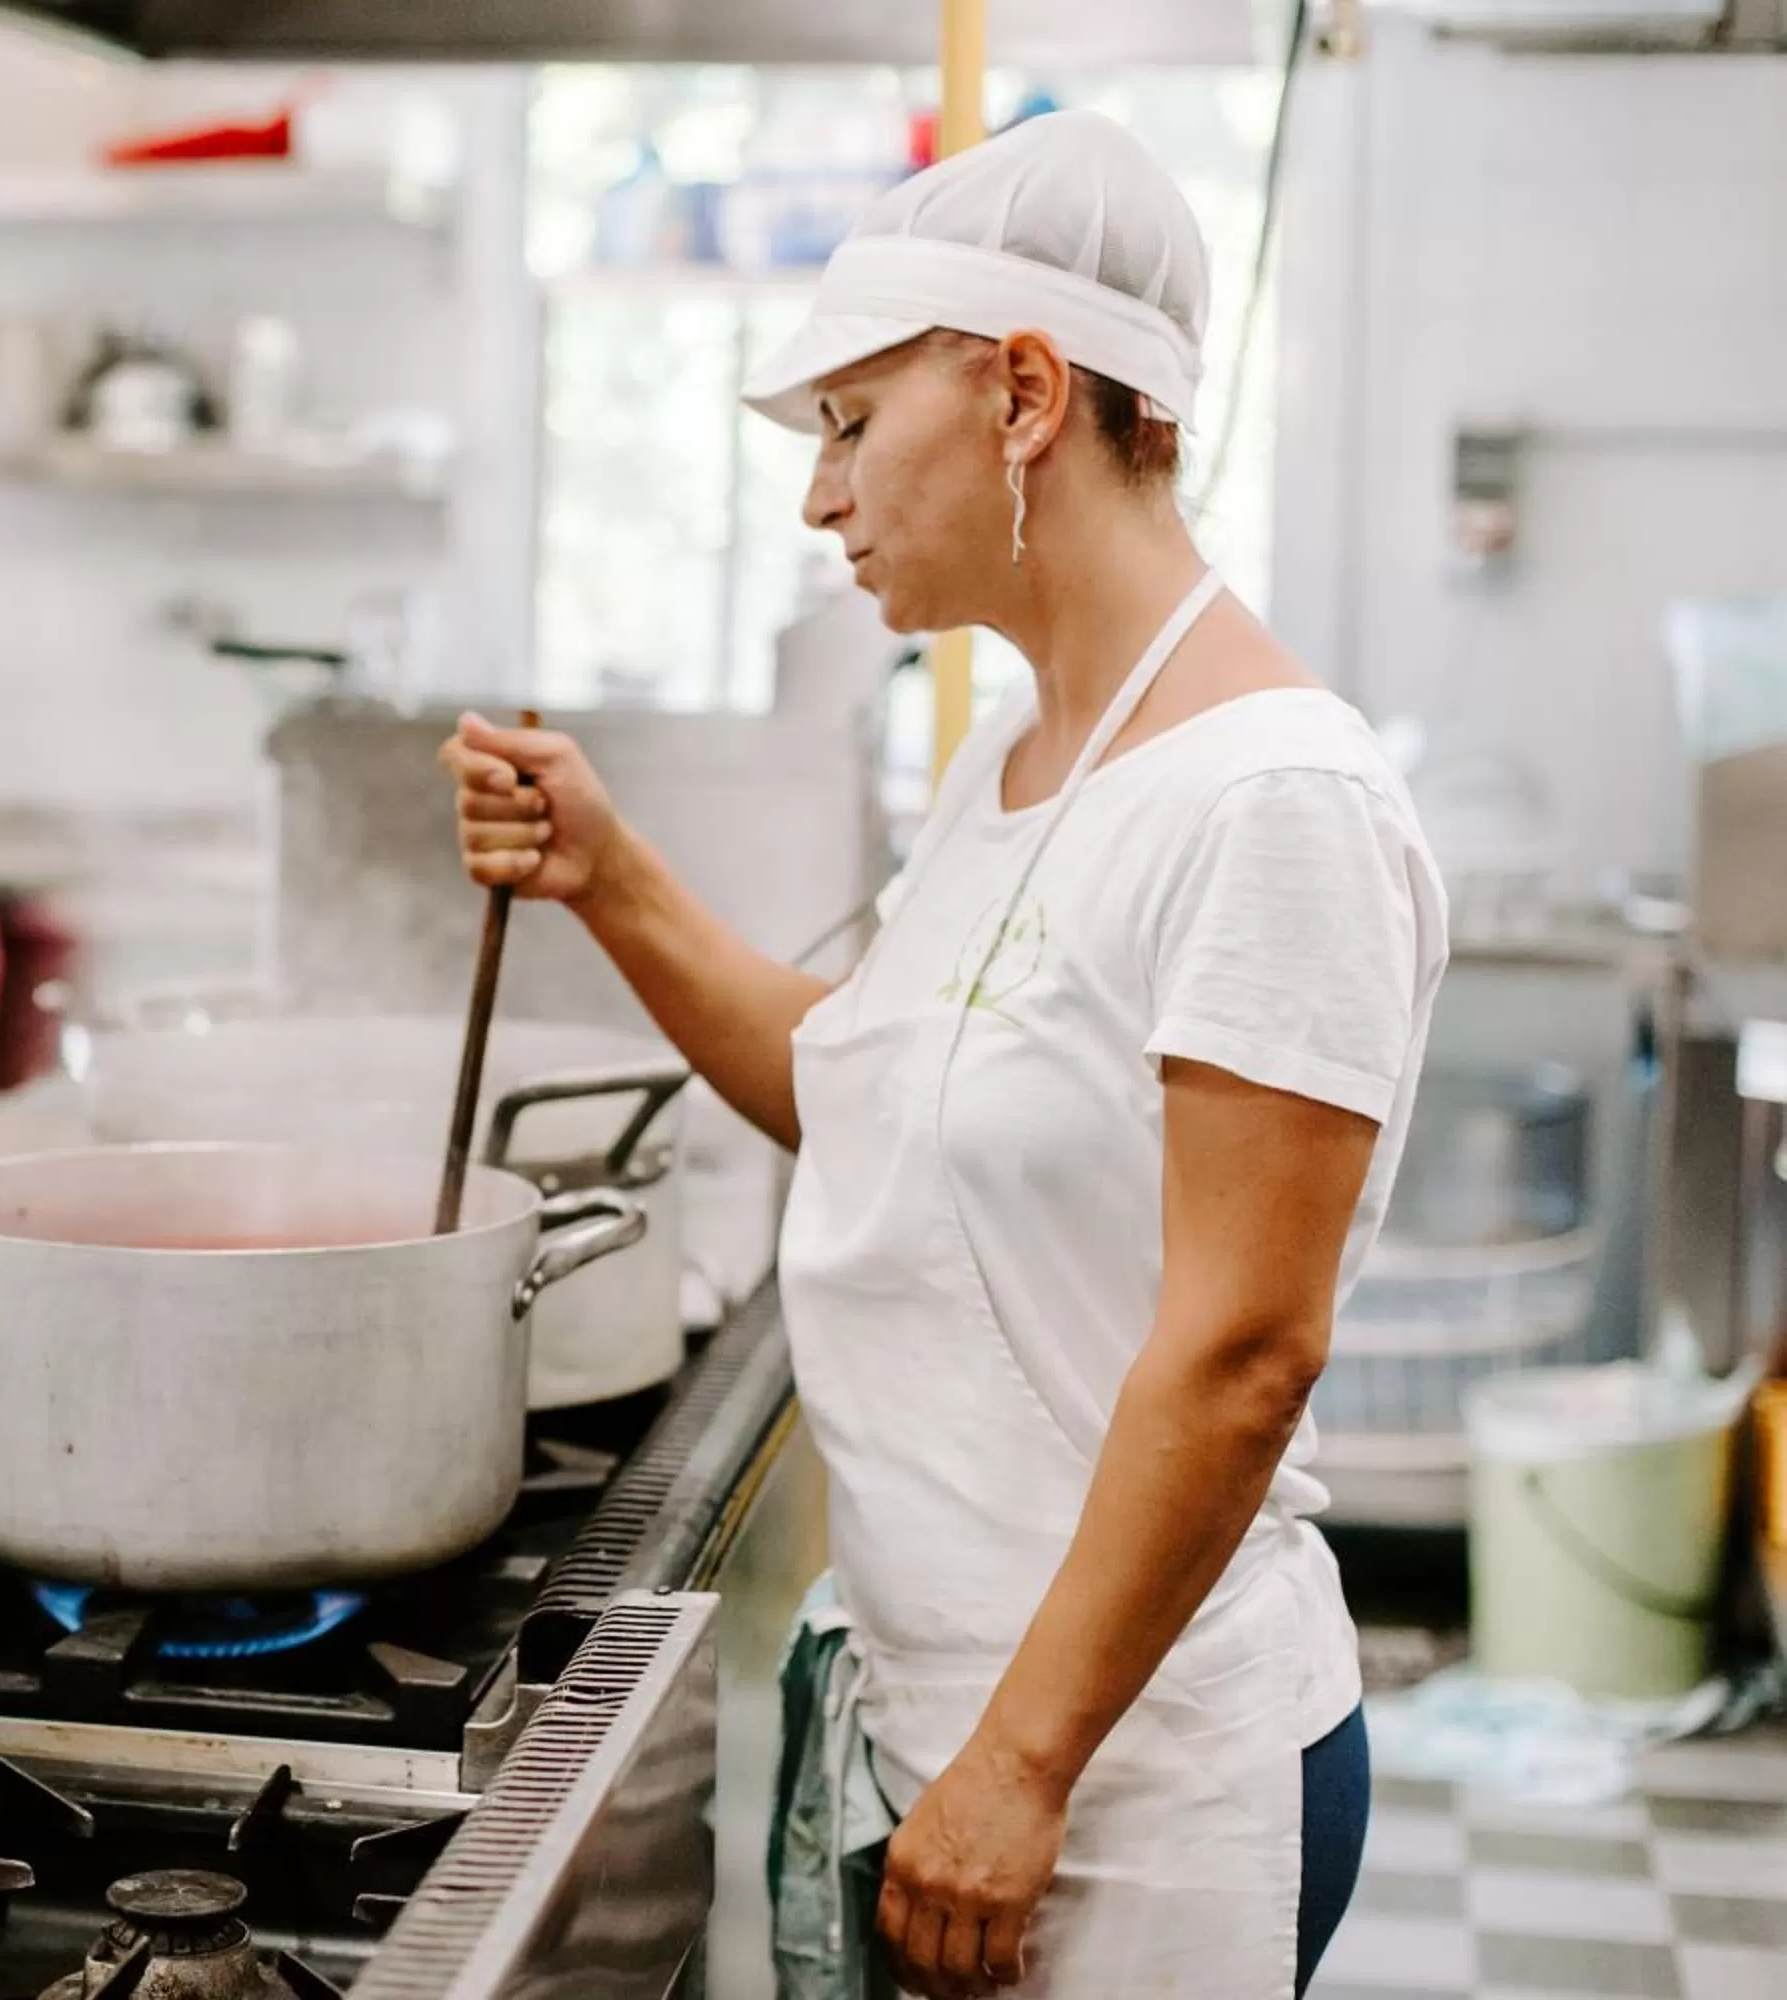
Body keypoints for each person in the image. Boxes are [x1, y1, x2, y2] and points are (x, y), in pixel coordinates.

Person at [443, 113, 1443, 1999]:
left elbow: (1244, 1354)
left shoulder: (1273, 803)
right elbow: (871, 1101)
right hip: (960, 1716)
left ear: (1027, 396)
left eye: (847, 421)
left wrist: (1021, 1766)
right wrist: (612, 877)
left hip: (1136, 1784)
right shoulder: (1015, 760)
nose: (821, 497)